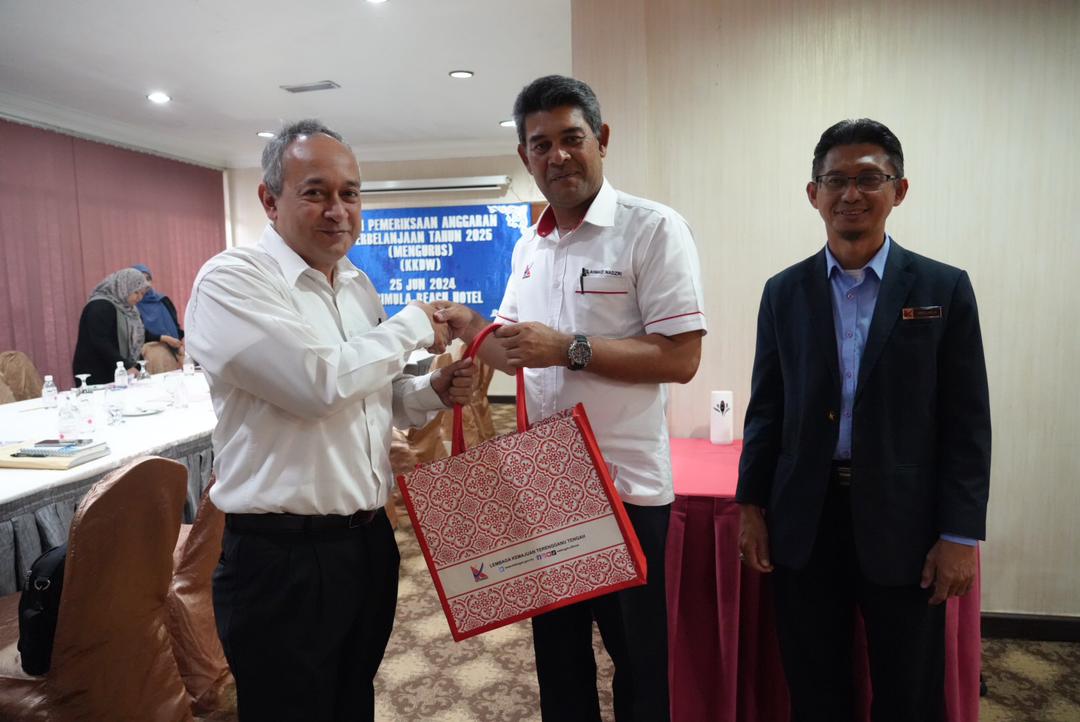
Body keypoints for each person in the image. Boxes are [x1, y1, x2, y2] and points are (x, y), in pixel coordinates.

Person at [435, 75, 707, 722]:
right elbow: (513, 350)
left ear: (601, 139)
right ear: (524, 157)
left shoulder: (652, 229)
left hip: (626, 490)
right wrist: (473, 328)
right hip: (547, 486)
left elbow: (681, 358)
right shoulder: (529, 245)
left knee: (639, 668)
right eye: (540, 145)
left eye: (571, 138)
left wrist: (569, 349)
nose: (557, 156)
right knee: (559, 665)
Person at [184, 119, 475, 721]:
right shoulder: (232, 280)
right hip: (280, 559)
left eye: (350, 193)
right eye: (315, 192)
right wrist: (414, 323)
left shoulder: (357, 286)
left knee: (351, 702)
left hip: (366, 543)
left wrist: (432, 391)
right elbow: (316, 385)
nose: (337, 210)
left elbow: (373, 398)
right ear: (270, 200)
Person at [735, 119, 991, 722]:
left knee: (909, 690)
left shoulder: (944, 288)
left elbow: (967, 422)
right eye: (836, 180)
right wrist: (750, 506)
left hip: (906, 521)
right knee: (815, 686)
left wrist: (960, 535)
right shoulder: (783, 292)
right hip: (805, 517)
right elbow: (766, 409)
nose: (851, 193)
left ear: (898, 190)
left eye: (869, 178)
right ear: (813, 193)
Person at [72, 267, 167, 384]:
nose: (139, 298)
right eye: (136, 292)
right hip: (96, 371)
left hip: (119, 369)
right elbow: (101, 342)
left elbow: (137, 334)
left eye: (142, 293)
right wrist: (126, 366)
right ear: (123, 287)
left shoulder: (129, 309)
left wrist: (162, 338)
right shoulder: (99, 306)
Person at [131, 264, 185, 372]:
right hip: (149, 350)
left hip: (174, 347)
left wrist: (179, 345)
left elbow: (175, 326)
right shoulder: (131, 305)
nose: (146, 283)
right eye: (141, 279)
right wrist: (164, 339)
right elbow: (137, 334)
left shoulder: (163, 300)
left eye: (148, 279)